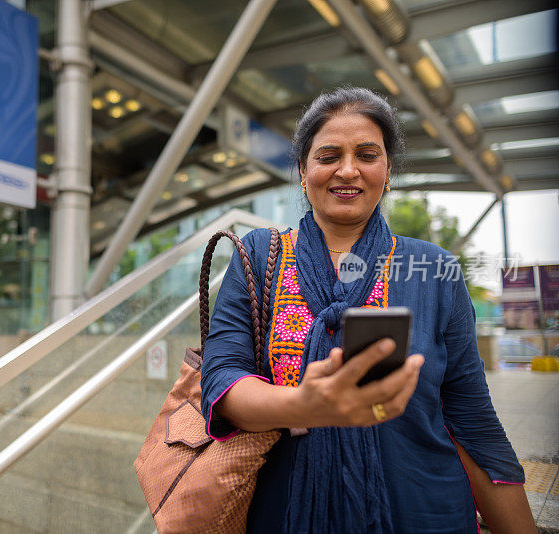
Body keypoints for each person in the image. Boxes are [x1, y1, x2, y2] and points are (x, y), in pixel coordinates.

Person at [200, 87, 534, 533]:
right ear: (303, 170)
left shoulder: (434, 268)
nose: (348, 170)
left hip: (423, 511)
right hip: (286, 515)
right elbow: (222, 379)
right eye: (328, 155)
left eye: (367, 154)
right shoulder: (258, 256)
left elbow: (471, 418)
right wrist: (303, 404)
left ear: (387, 171)